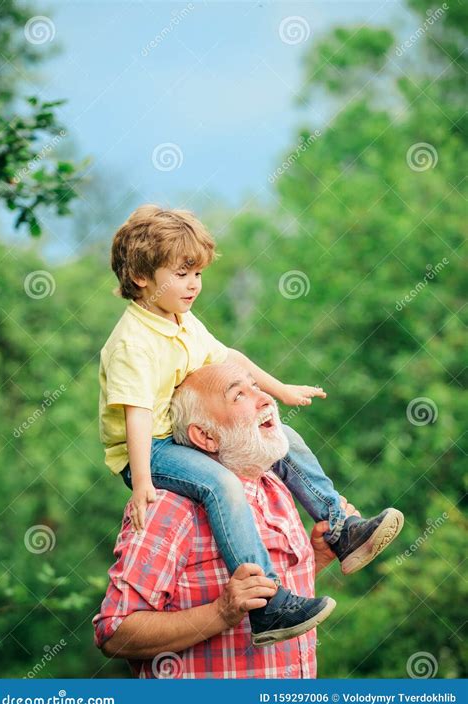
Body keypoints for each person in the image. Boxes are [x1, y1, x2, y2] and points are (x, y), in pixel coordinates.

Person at [99, 204, 404, 646]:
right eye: (182, 274)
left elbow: (231, 358)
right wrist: (143, 480)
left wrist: (281, 390)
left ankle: (340, 528)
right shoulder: (133, 342)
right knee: (222, 484)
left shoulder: (180, 320)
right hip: (148, 448)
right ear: (143, 278)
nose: (194, 285)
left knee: (284, 439)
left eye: (198, 274)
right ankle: (268, 605)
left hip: (176, 438)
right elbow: (137, 413)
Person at [93, 363, 362, 678]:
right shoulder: (169, 506)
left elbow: (262, 598)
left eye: (255, 387)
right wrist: (220, 613)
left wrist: (315, 559)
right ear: (205, 436)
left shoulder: (275, 488)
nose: (264, 399)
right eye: (239, 396)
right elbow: (114, 632)